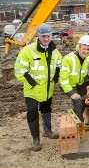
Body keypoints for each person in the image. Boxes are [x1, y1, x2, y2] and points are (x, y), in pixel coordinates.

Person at [14, 23, 62, 152]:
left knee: (46, 109)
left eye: (48, 36)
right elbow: (19, 70)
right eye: (43, 36)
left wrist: (56, 78)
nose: (46, 39)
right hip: (32, 90)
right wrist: (32, 82)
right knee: (32, 113)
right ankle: (36, 140)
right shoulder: (28, 50)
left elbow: (59, 66)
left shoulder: (55, 51)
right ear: (38, 36)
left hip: (48, 89)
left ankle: (48, 131)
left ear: (51, 36)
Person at [59, 35, 89, 126]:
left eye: (88, 49)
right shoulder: (68, 58)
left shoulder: (88, 59)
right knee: (78, 103)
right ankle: (79, 127)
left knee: (83, 102)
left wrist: (88, 85)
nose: (86, 52)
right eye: (84, 49)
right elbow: (63, 79)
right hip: (69, 85)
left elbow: (85, 74)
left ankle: (77, 122)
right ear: (79, 47)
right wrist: (71, 93)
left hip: (80, 84)